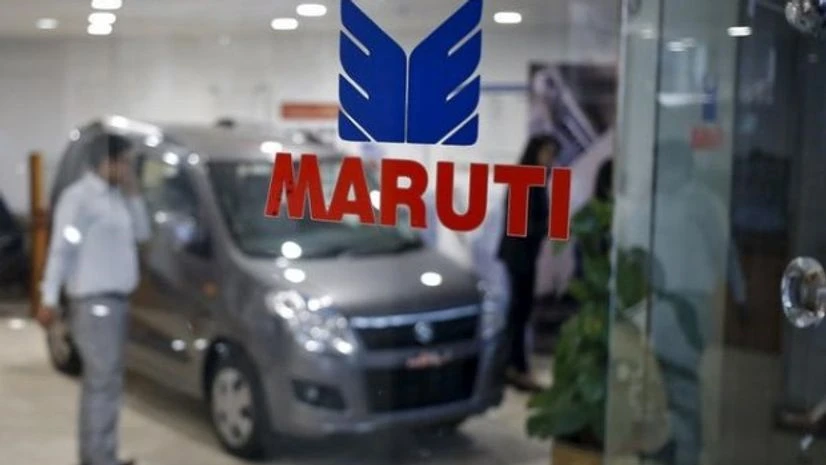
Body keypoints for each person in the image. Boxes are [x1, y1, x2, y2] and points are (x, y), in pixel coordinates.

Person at [36, 133, 151, 465]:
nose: (129, 169)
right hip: (94, 302)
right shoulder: (80, 199)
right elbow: (62, 249)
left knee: (109, 383)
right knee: (101, 384)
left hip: (117, 301)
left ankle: (104, 454)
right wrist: (48, 296)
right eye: (125, 162)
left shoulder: (118, 198)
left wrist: (134, 196)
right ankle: (96, 458)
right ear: (107, 161)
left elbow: (142, 234)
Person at [498, 135, 561, 392]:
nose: (550, 159)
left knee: (521, 311)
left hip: (525, 254)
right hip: (519, 255)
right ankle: (515, 367)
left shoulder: (536, 178)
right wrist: (548, 226)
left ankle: (515, 366)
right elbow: (520, 224)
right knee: (518, 312)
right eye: (546, 153)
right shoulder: (524, 179)